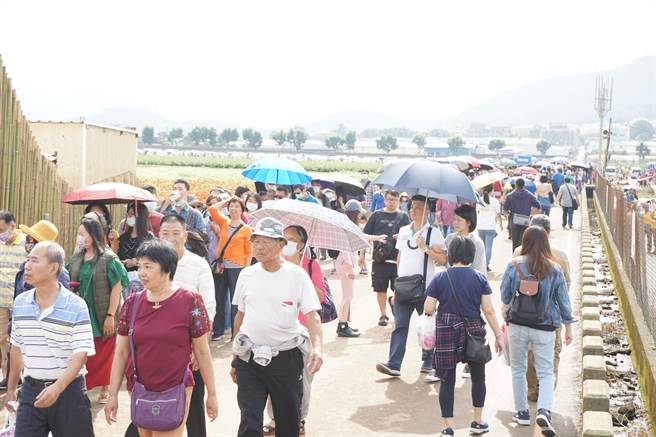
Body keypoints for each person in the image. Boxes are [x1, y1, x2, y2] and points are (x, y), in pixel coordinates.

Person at [104, 240, 218, 437]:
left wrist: (212, 394)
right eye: (140, 266)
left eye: (148, 266)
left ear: (167, 269)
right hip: (139, 387)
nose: (141, 273)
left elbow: (202, 351)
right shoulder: (132, 303)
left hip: (175, 387)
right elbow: (122, 352)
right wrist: (112, 394)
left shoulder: (191, 300)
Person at [230, 218, 323, 437]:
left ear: (281, 244)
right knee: (249, 420)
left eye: (265, 242)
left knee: (288, 422)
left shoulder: (297, 275)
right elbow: (239, 317)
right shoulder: (247, 274)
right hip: (250, 358)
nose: (259, 248)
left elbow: (312, 317)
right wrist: (235, 356)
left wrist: (318, 347)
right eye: (256, 242)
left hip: (286, 359)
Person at [7, 241, 96, 436]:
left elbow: (81, 354)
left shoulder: (76, 306)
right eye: (27, 259)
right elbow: (16, 349)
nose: (27, 266)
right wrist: (12, 387)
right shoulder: (21, 303)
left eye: (34, 260)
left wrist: (57, 388)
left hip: (69, 392)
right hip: (31, 391)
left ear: (53, 267)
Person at [423, 237, 504, 436]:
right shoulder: (479, 277)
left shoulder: (440, 278)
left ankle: (448, 427)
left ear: (451, 255)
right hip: (473, 329)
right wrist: (498, 335)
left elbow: (428, 307)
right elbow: (489, 310)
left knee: (447, 380)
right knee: (478, 378)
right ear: (471, 255)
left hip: (447, 330)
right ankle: (477, 421)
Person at [500, 226, 575, 435]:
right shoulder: (554, 268)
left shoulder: (513, 265)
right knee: (546, 372)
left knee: (518, 368)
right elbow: (564, 303)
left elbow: (505, 297)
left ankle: (522, 413)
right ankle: (544, 411)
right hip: (545, 327)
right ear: (545, 243)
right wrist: (568, 328)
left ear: (524, 242)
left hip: (517, 325)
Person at [262, 224, 327, 435]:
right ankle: (274, 418)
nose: (286, 243)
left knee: (303, 379)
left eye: (291, 239)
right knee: (272, 376)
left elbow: (320, 297)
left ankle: (300, 418)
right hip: (275, 331)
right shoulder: (272, 266)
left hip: (303, 333)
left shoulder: (310, 266)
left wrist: (300, 275)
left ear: (301, 245)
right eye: (284, 238)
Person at [376, 195, 446, 379]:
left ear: (427, 211)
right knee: (400, 326)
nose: (412, 210)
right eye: (411, 206)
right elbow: (400, 256)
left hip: (426, 288)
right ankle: (394, 364)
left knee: (427, 326)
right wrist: (399, 279)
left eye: (418, 207)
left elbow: (443, 259)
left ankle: (428, 361)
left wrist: (426, 248)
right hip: (404, 286)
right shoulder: (404, 230)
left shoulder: (434, 233)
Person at [67, 217, 128, 403]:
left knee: (104, 352)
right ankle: (82, 386)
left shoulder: (108, 258)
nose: (79, 238)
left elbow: (117, 286)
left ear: (93, 235)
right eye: (78, 234)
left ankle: (106, 387)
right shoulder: (77, 256)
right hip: (80, 311)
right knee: (83, 351)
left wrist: (111, 315)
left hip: (101, 311)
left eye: (82, 234)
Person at [513, 214, 570, 402]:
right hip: (551, 315)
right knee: (552, 353)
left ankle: (532, 390)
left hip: (524, 314)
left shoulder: (518, 252)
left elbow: (512, 287)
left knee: (529, 354)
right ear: (548, 232)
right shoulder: (560, 256)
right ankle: (547, 390)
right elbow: (566, 286)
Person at [361, 190, 410, 326]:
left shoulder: (404, 217)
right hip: (380, 260)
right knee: (380, 289)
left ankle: (395, 306)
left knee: (399, 290)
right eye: (389, 200)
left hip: (399, 261)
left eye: (394, 200)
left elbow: (411, 237)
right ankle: (383, 315)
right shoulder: (376, 215)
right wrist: (362, 256)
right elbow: (365, 236)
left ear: (399, 201)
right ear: (384, 199)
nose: (391, 203)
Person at [209, 197, 253, 341]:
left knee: (236, 301)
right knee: (219, 299)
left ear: (242, 210)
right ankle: (218, 330)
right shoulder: (224, 222)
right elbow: (212, 209)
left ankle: (236, 332)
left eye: (237, 206)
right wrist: (228, 199)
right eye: (231, 206)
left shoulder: (246, 229)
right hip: (221, 266)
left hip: (237, 268)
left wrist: (246, 271)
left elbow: (249, 251)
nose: (233, 209)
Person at [0, 210, 25, 384]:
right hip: (1, 301)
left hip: (19, 301)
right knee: (2, 338)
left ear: (13, 226)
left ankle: (21, 373)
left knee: (20, 338)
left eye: (2, 230)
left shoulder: (25, 243)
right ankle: (7, 374)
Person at [337, 202, 365, 338]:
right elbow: (345, 249)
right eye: (359, 212)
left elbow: (362, 238)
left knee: (348, 296)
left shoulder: (350, 226)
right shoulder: (346, 227)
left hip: (346, 265)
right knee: (347, 297)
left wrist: (378, 238)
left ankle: (344, 324)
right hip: (345, 265)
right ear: (355, 213)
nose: (361, 215)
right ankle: (342, 325)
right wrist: (349, 269)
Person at [445, 205, 487, 275]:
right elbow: (445, 262)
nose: (455, 223)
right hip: (450, 280)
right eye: (454, 219)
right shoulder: (449, 238)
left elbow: (479, 269)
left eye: (459, 220)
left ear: (468, 223)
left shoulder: (477, 242)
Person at [118, 203, 154, 278]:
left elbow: (153, 260)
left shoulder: (149, 238)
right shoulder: (123, 237)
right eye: (128, 214)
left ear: (140, 216)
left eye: (132, 214)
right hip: (124, 277)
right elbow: (116, 260)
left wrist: (137, 261)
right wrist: (125, 263)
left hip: (143, 277)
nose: (129, 217)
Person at [503, 178, 540, 251]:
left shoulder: (510, 195)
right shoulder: (529, 195)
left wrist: (508, 213)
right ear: (524, 185)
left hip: (514, 221)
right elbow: (538, 205)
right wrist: (531, 213)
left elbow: (505, 210)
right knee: (525, 242)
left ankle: (515, 259)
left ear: (516, 185)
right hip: (526, 220)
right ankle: (525, 258)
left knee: (515, 243)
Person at [476, 185, 502, 272]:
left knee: (483, 246)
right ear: (492, 191)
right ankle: (486, 265)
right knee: (488, 247)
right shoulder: (495, 201)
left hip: (480, 226)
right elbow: (498, 214)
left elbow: (478, 211)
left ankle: (481, 264)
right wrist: (501, 225)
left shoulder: (479, 200)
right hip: (490, 226)